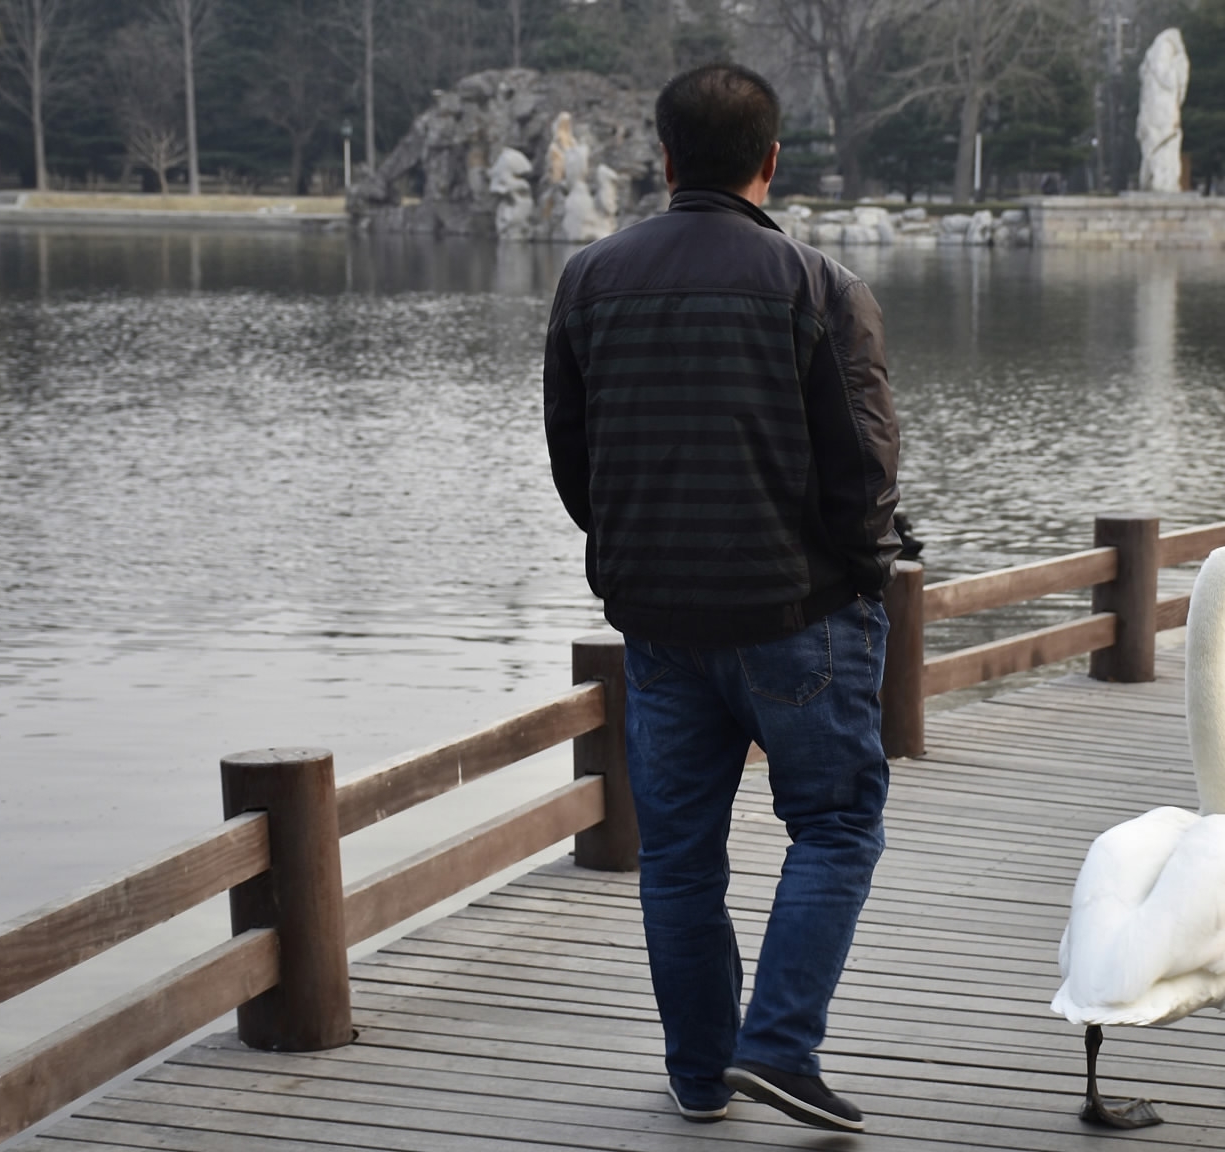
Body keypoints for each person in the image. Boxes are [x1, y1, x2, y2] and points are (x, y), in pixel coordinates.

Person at [542, 63, 902, 1133]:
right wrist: (864, 575)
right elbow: (863, 471)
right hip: (800, 619)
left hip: (659, 625)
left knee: (679, 857)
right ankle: (779, 1048)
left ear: (664, 158)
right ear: (770, 160)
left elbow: (575, 462)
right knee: (834, 826)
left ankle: (701, 1075)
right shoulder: (819, 287)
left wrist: (636, 557)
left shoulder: (588, 282)